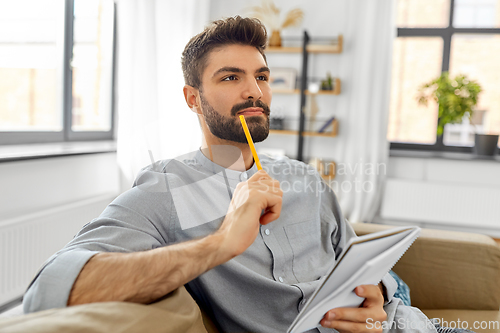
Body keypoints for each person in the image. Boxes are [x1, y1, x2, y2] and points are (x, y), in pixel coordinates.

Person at [21, 16, 437, 333]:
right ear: (193, 99)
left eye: (261, 76)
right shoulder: (167, 189)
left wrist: (377, 295)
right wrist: (223, 242)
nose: (254, 90)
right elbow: (48, 291)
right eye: (231, 77)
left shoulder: (303, 178)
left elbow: (360, 262)